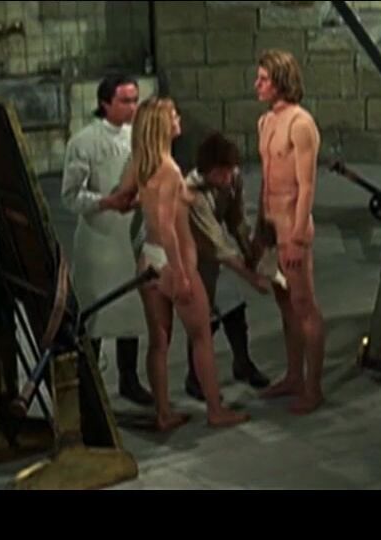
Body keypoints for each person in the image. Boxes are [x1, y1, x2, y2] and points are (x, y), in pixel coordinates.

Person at [118, 97, 250, 430]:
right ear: (161, 125)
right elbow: (166, 227)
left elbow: (124, 197)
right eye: (173, 115)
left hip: (149, 257)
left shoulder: (142, 164)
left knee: (159, 341)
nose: (178, 118)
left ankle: (163, 413)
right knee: (202, 335)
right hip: (171, 262)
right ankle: (216, 410)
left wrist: (164, 199)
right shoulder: (168, 169)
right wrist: (180, 273)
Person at [59, 73, 154, 406]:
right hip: (98, 240)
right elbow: (70, 196)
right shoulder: (84, 142)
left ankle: (129, 379)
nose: (133, 106)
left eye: (135, 99)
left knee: (131, 308)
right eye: (125, 100)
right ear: (105, 103)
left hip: (129, 235)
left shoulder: (139, 137)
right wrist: (106, 202)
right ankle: (88, 387)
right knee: (95, 311)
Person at [252, 49, 326, 415]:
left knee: (304, 306)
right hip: (270, 226)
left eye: (264, 79)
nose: (257, 85)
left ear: (281, 81)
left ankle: (313, 388)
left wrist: (297, 237)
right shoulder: (265, 122)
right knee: (285, 305)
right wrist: (259, 229)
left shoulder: (301, 123)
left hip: (292, 227)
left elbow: (307, 186)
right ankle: (294, 375)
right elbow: (266, 180)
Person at [182, 133, 276, 401]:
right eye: (220, 173)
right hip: (194, 256)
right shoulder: (192, 193)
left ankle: (242, 363)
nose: (227, 177)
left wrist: (250, 253)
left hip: (215, 256)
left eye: (229, 171)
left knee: (234, 307)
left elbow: (236, 218)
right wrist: (251, 277)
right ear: (207, 170)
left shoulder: (232, 178)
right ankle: (195, 378)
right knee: (204, 318)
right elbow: (216, 244)